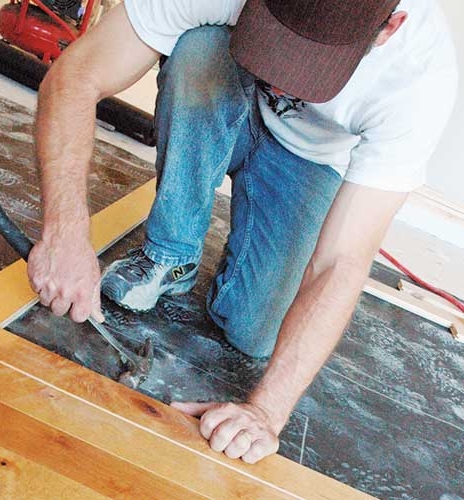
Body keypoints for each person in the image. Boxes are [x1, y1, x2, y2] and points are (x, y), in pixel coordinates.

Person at [28, 0, 458, 464]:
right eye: (276, 38)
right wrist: (64, 234)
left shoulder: (418, 78)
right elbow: (77, 75)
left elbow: (341, 260)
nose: (281, 80)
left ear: (389, 28)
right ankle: (171, 255)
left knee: (255, 334)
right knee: (199, 53)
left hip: (309, 159)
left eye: (313, 62)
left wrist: (267, 411)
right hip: (219, 88)